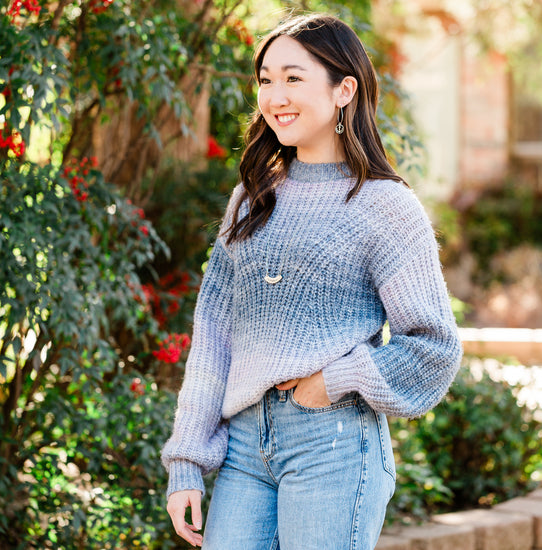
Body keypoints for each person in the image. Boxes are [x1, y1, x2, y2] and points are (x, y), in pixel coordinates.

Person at [161, 13, 462, 550]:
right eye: (266, 79)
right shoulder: (253, 198)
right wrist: (186, 460)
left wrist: (335, 380)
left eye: (293, 78)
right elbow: (213, 334)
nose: (275, 95)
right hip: (245, 446)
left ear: (344, 88)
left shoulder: (386, 207)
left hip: (334, 445)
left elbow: (434, 347)